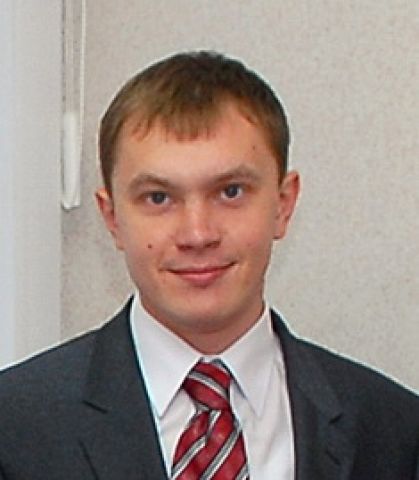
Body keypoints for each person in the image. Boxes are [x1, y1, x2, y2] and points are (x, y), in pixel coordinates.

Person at [0, 51, 418, 480]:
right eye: (158, 198)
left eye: (231, 192)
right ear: (112, 219)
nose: (197, 234)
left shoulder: (396, 433)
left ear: (283, 204)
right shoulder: (13, 429)